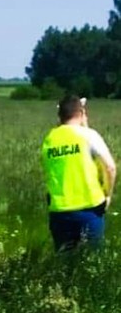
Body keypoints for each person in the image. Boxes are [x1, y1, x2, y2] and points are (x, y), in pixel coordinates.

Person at [42, 95, 116, 251]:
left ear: (60, 115)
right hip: (89, 207)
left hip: (59, 210)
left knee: (65, 263)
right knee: (91, 260)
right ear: (82, 113)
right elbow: (110, 167)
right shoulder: (88, 135)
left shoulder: (50, 139)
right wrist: (108, 194)